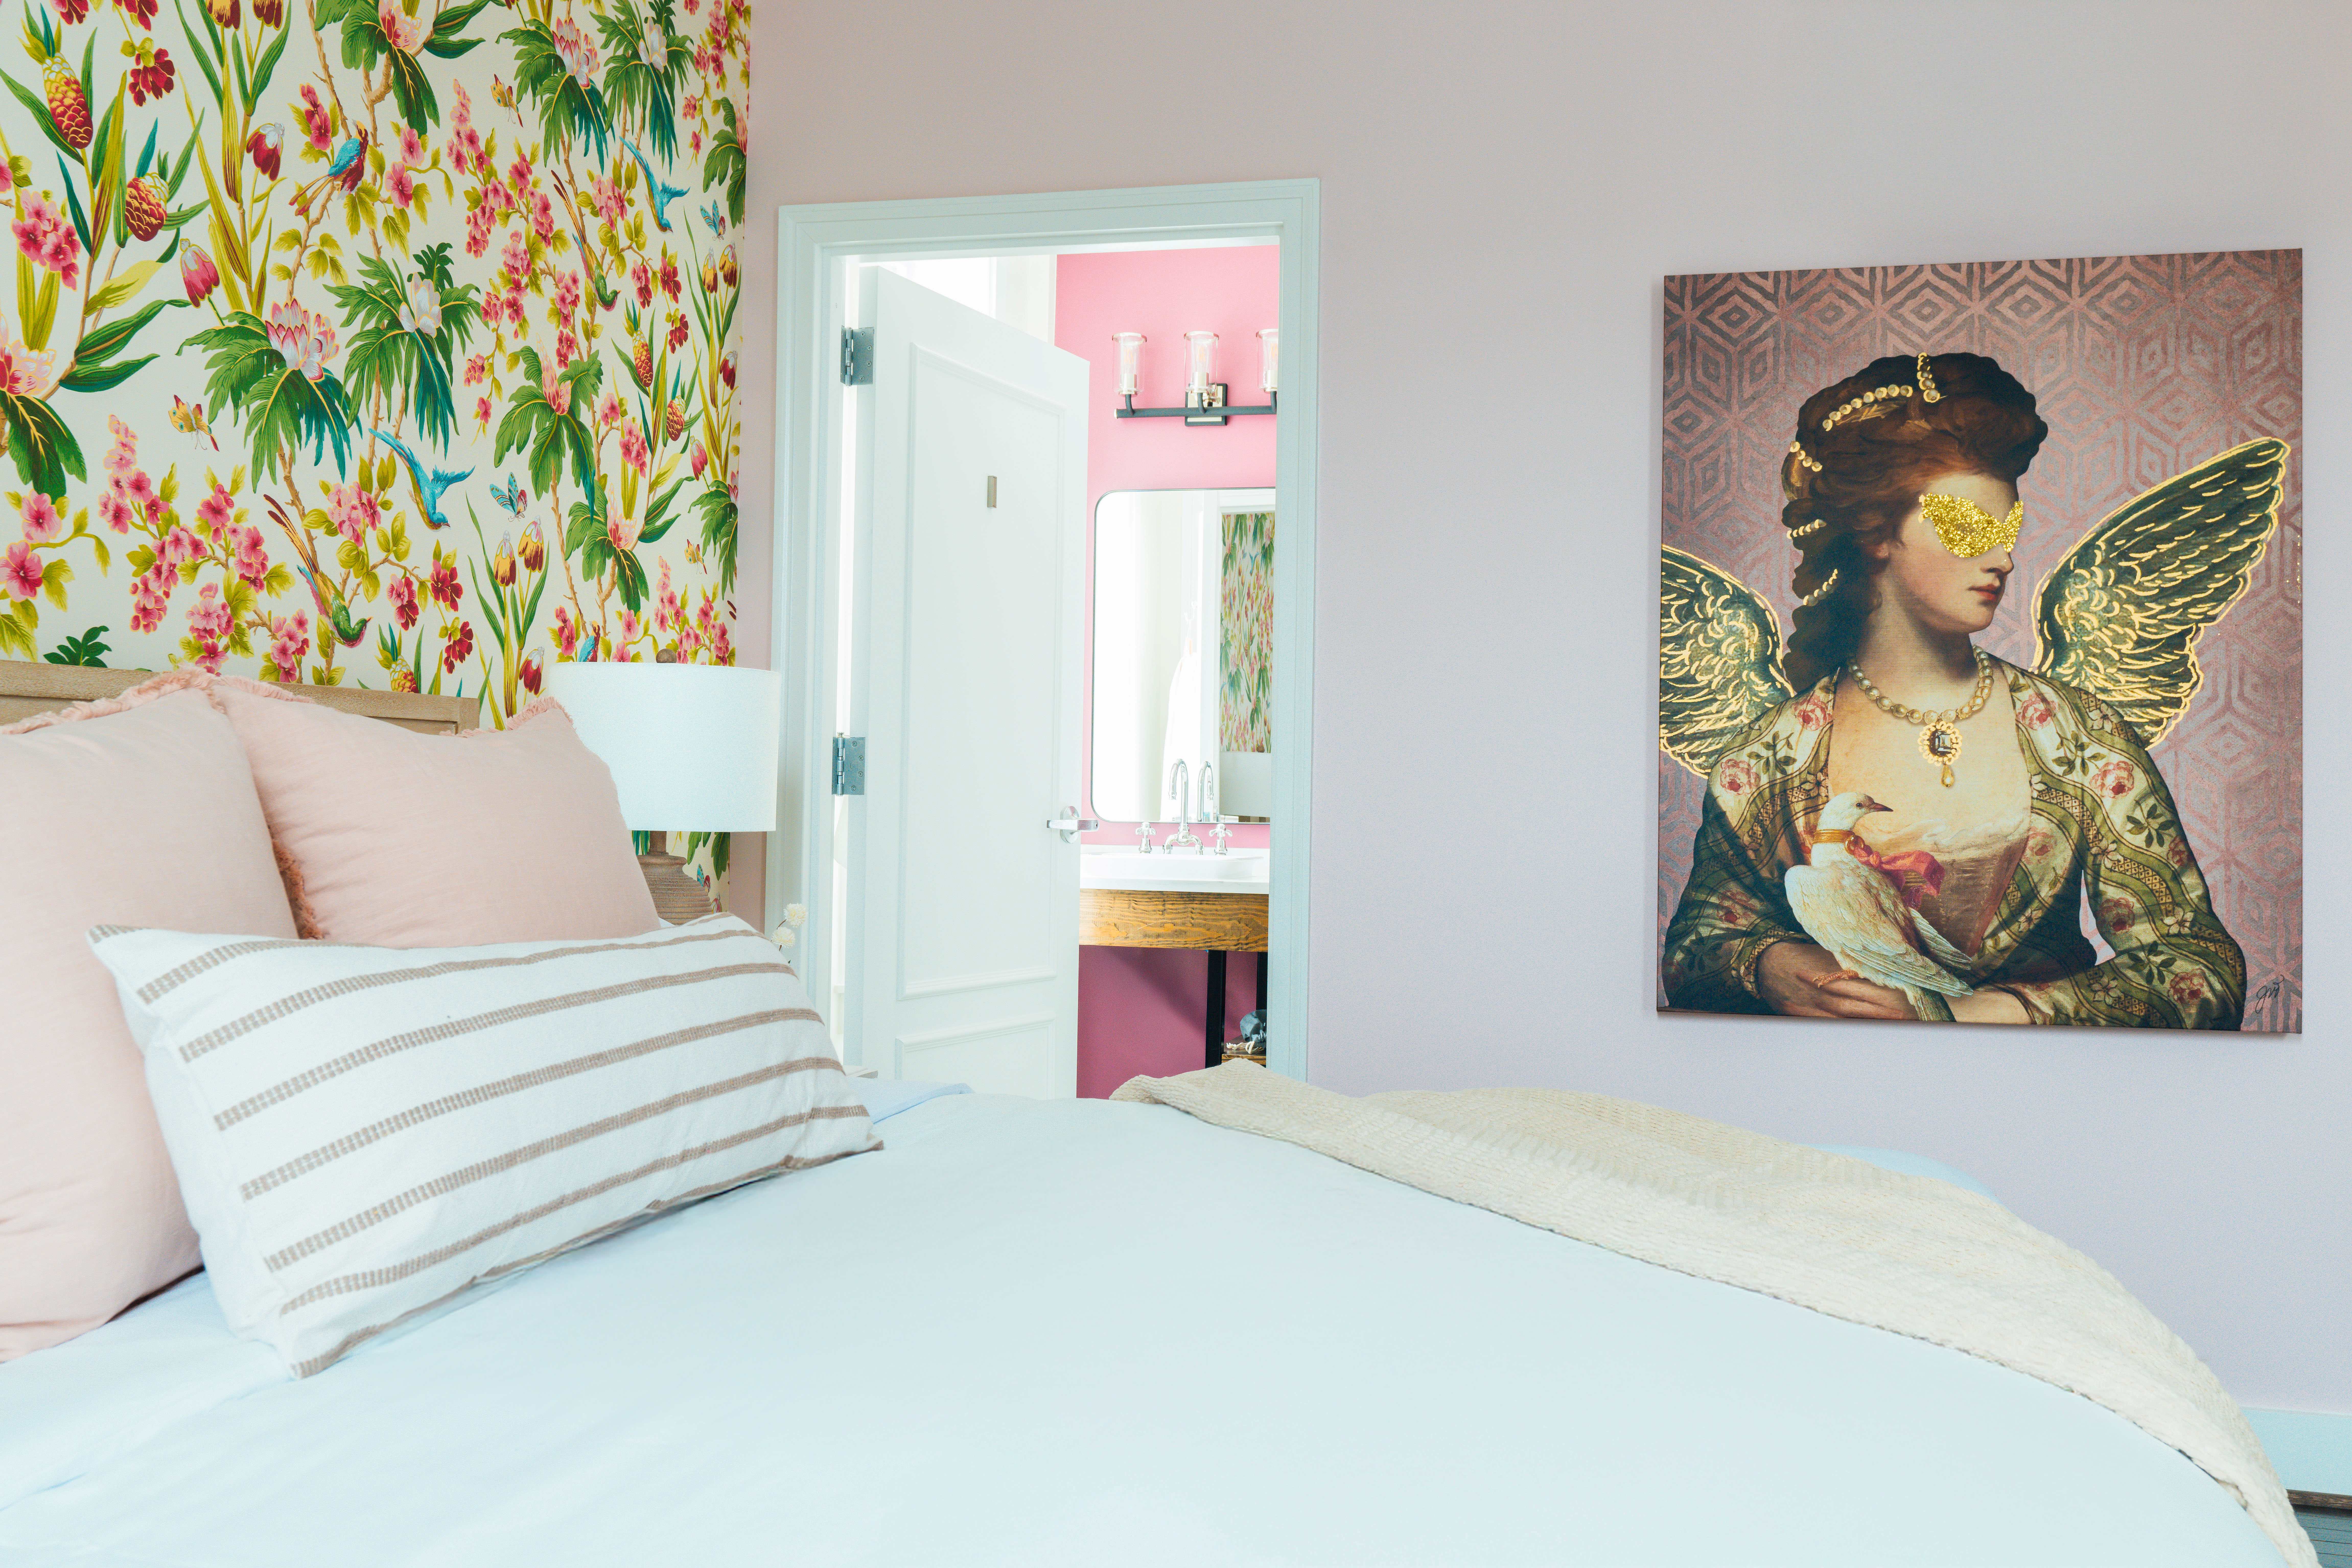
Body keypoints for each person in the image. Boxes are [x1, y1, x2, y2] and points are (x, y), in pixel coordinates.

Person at [1660, 352, 2244, 1028]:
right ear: (1877, 532)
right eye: (1969, 528)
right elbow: (1695, 948)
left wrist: (1975, 1014)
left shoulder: (2079, 737)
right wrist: (1771, 968)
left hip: (2052, 1099)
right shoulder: (1768, 758)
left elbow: (2200, 965)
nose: (2004, 556)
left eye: (2010, 529)